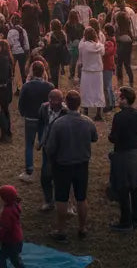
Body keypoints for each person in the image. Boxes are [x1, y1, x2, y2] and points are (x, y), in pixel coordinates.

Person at [44, 90, 98, 241]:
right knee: (81, 197)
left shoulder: (59, 123)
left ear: (66, 103)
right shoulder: (87, 121)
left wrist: (52, 159)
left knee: (61, 198)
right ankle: (82, 228)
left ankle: (61, 230)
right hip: (81, 164)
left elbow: (50, 147)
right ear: (79, 103)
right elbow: (94, 138)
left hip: (62, 165)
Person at [108, 86, 137, 233]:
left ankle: (125, 222)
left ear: (125, 99)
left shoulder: (119, 117)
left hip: (122, 154)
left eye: (119, 98)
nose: (118, 100)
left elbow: (113, 137)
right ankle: (136, 219)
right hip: (135, 153)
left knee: (123, 189)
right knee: (135, 188)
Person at [0, 184, 25, 268]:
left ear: (4, 199)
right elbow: (4, 223)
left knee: (1, 258)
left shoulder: (7, 211)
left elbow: (5, 228)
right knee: (15, 259)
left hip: (10, 241)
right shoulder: (15, 205)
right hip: (18, 239)